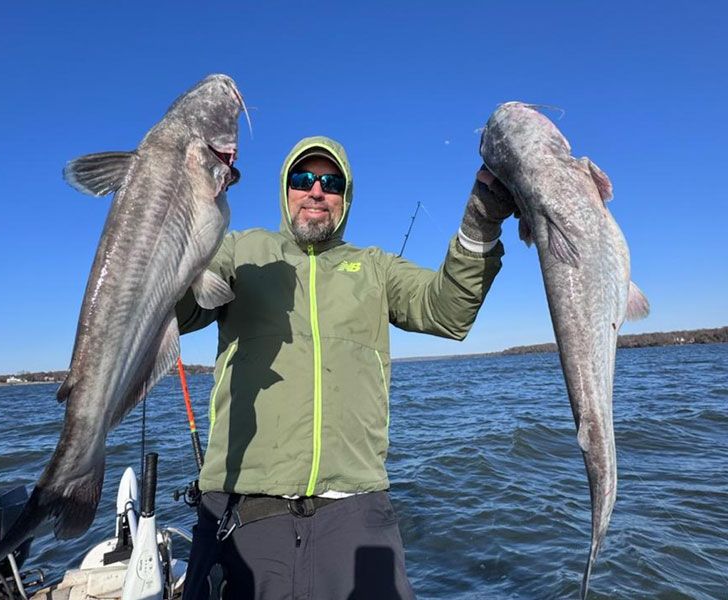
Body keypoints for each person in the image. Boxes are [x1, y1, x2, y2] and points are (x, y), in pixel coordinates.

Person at [176, 136, 515, 599]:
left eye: (330, 182)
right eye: (303, 178)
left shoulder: (374, 267)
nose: (316, 190)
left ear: (345, 196)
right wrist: (188, 211)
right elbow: (178, 308)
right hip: (241, 509)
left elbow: (448, 310)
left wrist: (481, 221)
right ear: (285, 189)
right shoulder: (240, 252)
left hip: (355, 512)